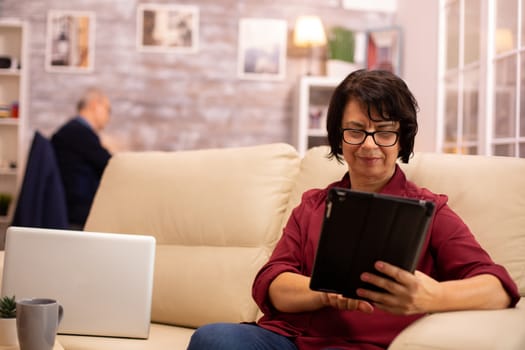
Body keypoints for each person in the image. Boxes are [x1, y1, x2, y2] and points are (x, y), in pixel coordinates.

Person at [186, 70, 520, 350]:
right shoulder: (313, 204)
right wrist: (324, 293)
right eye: (356, 131)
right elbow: (273, 283)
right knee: (213, 338)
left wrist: (430, 296)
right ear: (339, 137)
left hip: (361, 345)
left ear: (402, 139)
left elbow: (499, 289)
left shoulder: (430, 210)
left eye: (385, 132)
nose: (370, 144)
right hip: (287, 339)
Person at [51, 88, 112, 229]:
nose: (108, 117)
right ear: (95, 105)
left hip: (72, 209)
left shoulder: (73, 130)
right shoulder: (78, 132)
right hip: (78, 213)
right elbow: (109, 164)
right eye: (108, 110)